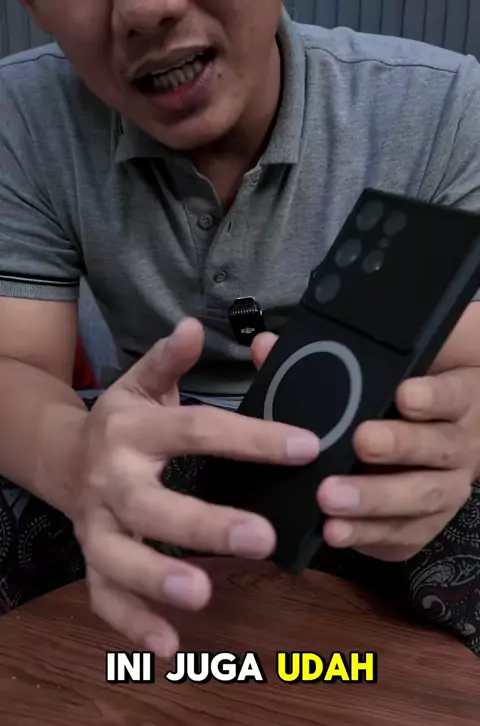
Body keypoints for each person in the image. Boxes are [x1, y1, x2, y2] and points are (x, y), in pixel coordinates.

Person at [1, 0, 480, 659]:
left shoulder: (443, 106)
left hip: (358, 467)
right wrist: (72, 457)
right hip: (140, 441)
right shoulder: (21, 113)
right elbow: (16, 363)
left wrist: (446, 452)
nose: (145, 8)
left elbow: (465, 374)